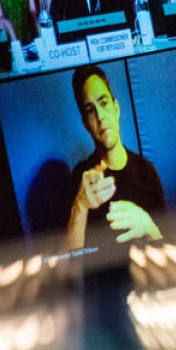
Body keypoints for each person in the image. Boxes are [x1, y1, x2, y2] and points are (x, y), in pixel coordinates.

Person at [66, 65, 165, 250]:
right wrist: (81, 206)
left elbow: (167, 249)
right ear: (86, 124)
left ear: (116, 109)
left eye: (103, 103)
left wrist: (149, 226)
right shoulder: (81, 180)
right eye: (90, 109)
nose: (100, 116)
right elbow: (70, 261)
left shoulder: (147, 173)